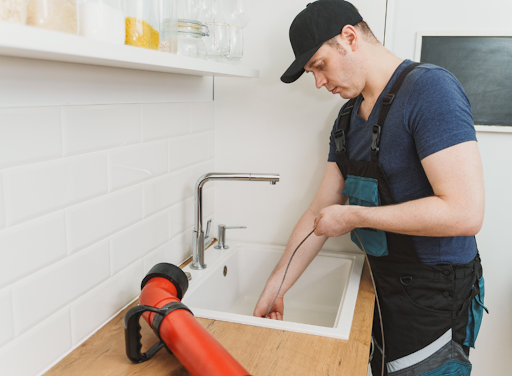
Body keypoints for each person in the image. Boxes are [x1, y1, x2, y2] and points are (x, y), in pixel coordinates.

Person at [252, 1, 487, 375]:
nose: (319, 83)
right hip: (381, 284)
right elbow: (318, 213)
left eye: (320, 65)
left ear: (349, 37)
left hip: (434, 296)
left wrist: (353, 216)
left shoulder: (431, 90)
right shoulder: (347, 118)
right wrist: (277, 287)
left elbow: (465, 212)